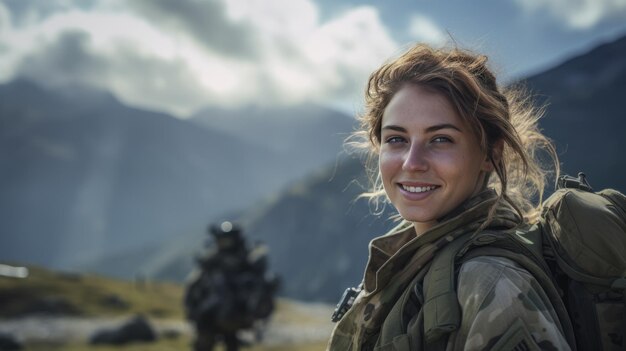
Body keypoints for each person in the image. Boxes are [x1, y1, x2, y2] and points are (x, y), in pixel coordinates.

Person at [327, 43, 572, 350]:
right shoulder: (410, 257)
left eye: (441, 139)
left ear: (489, 153)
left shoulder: (493, 284)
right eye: (397, 139)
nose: (411, 163)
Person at [184, 221, 278, 351]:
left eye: (225, 241)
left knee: (223, 339)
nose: (223, 244)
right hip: (222, 318)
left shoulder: (242, 262)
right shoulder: (217, 260)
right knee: (226, 339)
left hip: (225, 316)